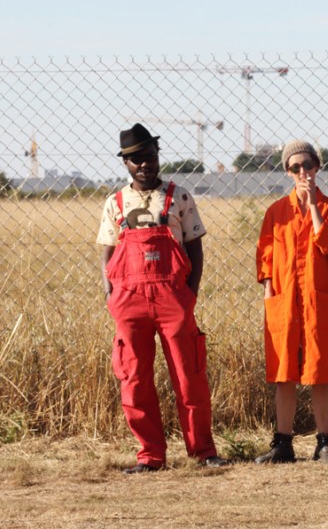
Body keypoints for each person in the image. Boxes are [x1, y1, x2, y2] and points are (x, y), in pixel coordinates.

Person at [97, 123, 229, 473]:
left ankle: (203, 451)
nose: (144, 165)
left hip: (174, 298)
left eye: (150, 157)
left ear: (158, 156)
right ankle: (150, 455)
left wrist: (190, 293)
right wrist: (111, 293)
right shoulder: (115, 202)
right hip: (129, 300)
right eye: (136, 160)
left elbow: (194, 248)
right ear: (126, 164)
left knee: (189, 375)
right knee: (135, 378)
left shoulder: (179, 196)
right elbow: (107, 251)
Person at [255, 141, 328, 464]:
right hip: (284, 301)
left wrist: (314, 207)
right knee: (284, 372)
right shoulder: (276, 212)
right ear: (287, 171)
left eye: (308, 165)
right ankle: (283, 443)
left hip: (318, 301)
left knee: (319, 371)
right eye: (295, 167)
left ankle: (324, 443)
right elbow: (265, 256)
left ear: (317, 166)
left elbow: (327, 243)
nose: (303, 172)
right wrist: (269, 293)